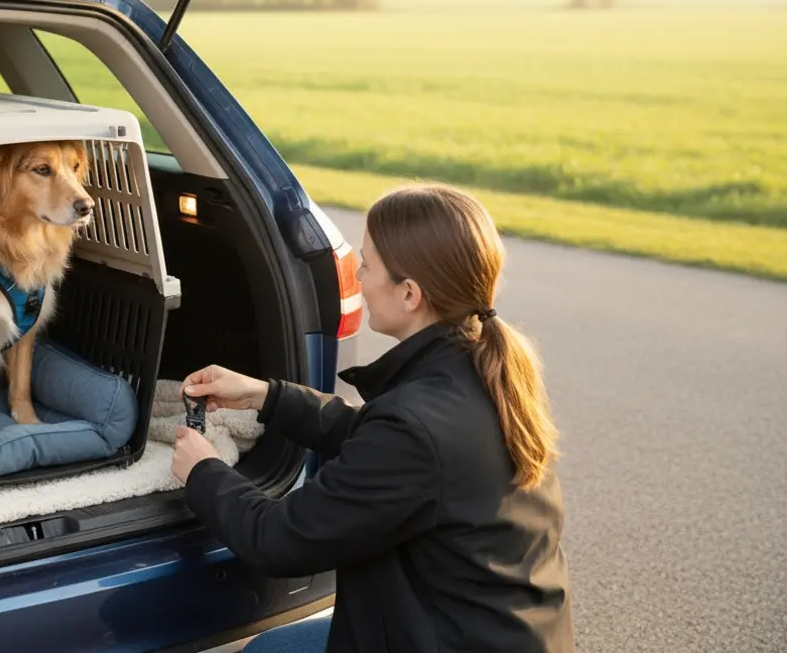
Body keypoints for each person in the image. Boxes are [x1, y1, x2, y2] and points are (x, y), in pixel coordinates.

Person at [170, 183, 573, 653]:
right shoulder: (480, 370)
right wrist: (266, 396)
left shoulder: (419, 424)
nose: (358, 276)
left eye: (367, 263)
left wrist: (204, 470)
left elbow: (277, 539)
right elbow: (376, 437)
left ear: (409, 294)